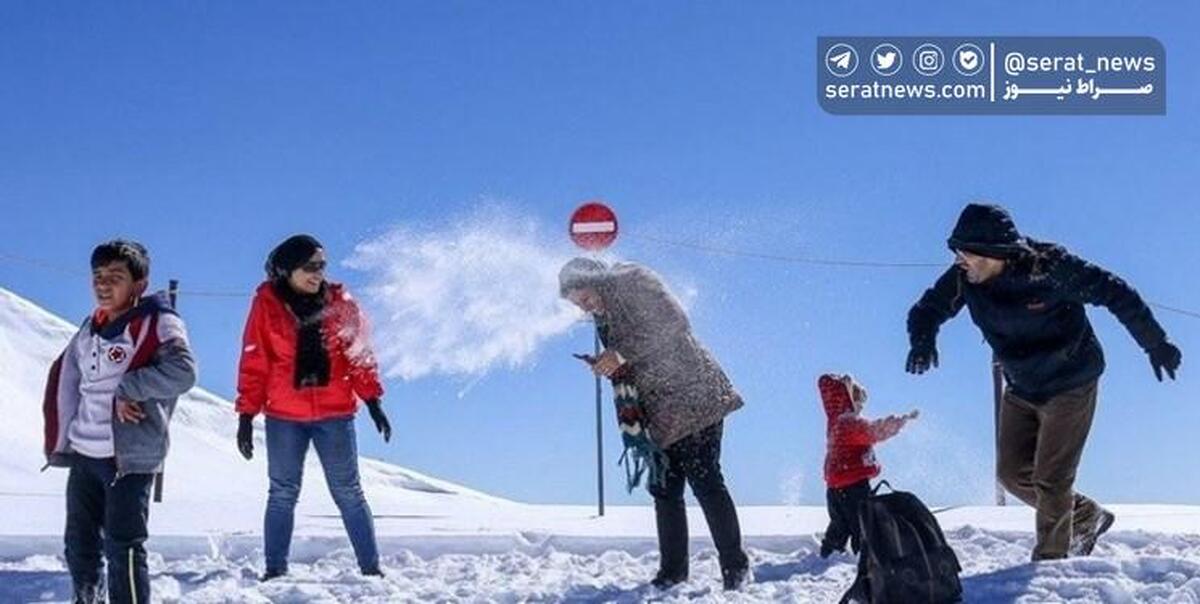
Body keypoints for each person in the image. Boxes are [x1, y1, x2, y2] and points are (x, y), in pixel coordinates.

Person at [907, 203, 1183, 561]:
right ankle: (1084, 515)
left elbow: (1116, 292)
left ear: (995, 253)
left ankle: (1050, 566)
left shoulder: (1050, 268)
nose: (959, 260)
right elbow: (927, 309)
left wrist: (1154, 342)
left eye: (966, 252)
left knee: (1052, 479)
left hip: (1071, 382)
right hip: (1022, 385)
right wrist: (923, 338)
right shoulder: (964, 278)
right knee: (1011, 473)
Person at [558, 257, 751, 591]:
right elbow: (629, 360)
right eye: (579, 306)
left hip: (694, 394)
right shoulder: (604, 316)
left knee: (705, 480)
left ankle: (736, 567)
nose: (586, 309)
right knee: (664, 489)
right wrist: (609, 365)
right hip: (660, 410)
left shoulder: (633, 280)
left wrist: (619, 354)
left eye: (585, 299)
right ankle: (672, 572)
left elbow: (674, 322)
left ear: (597, 280)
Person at [43, 240, 197, 604]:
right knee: (79, 544)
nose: (103, 285)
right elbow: (70, 383)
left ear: (139, 284)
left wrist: (129, 387)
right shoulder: (89, 328)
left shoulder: (159, 322)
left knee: (123, 546)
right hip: (84, 453)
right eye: (98, 276)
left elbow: (183, 372)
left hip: (128, 459)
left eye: (115, 277)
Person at [235, 234, 392, 580]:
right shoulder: (266, 303)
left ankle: (371, 569)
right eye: (309, 267)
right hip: (283, 417)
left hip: (335, 415)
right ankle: (275, 570)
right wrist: (246, 413)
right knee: (282, 492)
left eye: (322, 265)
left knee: (349, 491)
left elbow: (359, 354)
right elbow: (255, 359)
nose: (317, 273)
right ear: (288, 270)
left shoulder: (341, 302)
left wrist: (373, 400)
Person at [818, 373, 918, 560]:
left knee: (839, 524)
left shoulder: (834, 422)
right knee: (862, 525)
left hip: (834, 488)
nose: (861, 409)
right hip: (854, 485)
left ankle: (828, 553)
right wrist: (901, 421)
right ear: (849, 400)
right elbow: (875, 430)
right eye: (859, 404)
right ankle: (865, 557)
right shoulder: (850, 423)